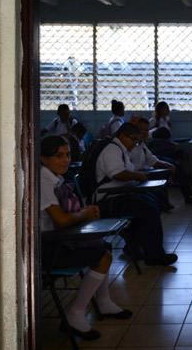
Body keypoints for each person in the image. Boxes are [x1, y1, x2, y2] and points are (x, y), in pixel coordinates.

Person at [39, 135, 131, 341]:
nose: (65, 160)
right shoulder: (43, 181)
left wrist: (83, 211)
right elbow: (61, 221)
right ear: (44, 159)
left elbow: (62, 215)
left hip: (56, 239)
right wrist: (83, 215)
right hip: (44, 249)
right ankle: (75, 314)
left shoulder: (54, 177)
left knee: (104, 247)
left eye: (68, 155)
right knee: (103, 257)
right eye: (58, 156)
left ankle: (104, 301)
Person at [93, 122, 178, 266]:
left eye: (136, 140)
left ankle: (132, 243)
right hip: (107, 199)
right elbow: (117, 174)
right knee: (147, 208)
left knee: (153, 201)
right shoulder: (112, 150)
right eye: (133, 139)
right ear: (122, 136)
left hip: (120, 193)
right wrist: (137, 176)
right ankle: (154, 256)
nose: (135, 143)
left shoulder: (122, 149)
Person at [133, 118, 192, 205]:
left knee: (174, 167)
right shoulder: (130, 145)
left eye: (146, 130)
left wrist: (166, 164)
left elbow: (152, 159)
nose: (143, 132)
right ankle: (166, 203)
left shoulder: (141, 144)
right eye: (139, 129)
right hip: (142, 170)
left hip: (153, 161)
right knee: (164, 172)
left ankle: (186, 197)